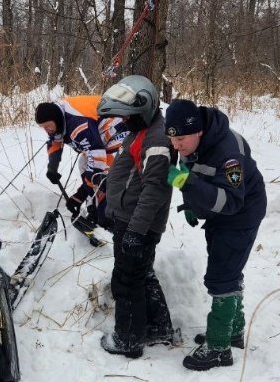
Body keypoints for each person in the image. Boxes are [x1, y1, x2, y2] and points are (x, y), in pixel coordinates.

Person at [164, 99, 267, 371]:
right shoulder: (190, 143)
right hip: (218, 215)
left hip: (241, 215)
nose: (177, 146)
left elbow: (232, 202)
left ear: (198, 131)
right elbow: (189, 170)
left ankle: (219, 348)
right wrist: (190, 202)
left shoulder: (229, 155)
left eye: (182, 139)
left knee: (222, 276)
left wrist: (189, 184)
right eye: (172, 140)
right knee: (228, 270)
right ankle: (232, 332)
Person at [95, 75, 177, 358]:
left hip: (137, 224)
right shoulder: (142, 127)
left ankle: (128, 340)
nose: (123, 121)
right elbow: (129, 173)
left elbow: (155, 189)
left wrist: (135, 230)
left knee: (127, 280)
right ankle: (159, 328)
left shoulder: (157, 139)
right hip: (129, 219)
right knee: (142, 275)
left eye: (127, 116)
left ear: (144, 108)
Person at [35, 96, 128, 229]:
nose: (47, 130)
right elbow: (55, 141)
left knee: (102, 173)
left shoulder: (78, 124)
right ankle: (94, 208)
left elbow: (97, 159)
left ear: (55, 119)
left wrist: (80, 195)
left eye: (48, 126)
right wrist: (52, 167)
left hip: (119, 127)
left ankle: (109, 218)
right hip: (98, 131)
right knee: (85, 163)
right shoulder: (57, 115)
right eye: (43, 127)